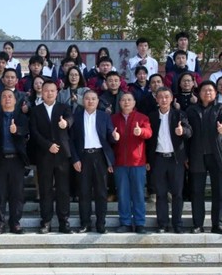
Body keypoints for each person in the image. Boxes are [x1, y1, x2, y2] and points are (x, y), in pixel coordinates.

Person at [186, 81, 222, 234]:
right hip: (197, 155)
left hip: (217, 155)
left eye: (211, 90)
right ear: (199, 93)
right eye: (204, 90)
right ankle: (198, 224)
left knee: (219, 192)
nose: (208, 93)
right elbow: (187, 131)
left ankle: (217, 224)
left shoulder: (221, 107)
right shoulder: (192, 110)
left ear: (215, 93)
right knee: (197, 191)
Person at [29, 80, 74, 234]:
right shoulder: (36, 110)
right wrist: (48, 145)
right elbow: (34, 132)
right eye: (46, 90)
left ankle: (64, 221)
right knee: (45, 189)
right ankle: (46, 221)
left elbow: (70, 119)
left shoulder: (64, 107)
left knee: (63, 189)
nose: (49, 93)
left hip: (62, 154)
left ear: (57, 92)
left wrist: (66, 123)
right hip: (44, 154)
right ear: (42, 92)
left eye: (52, 91)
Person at [69, 90, 117, 234]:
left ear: (97, 101)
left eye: (93, 99)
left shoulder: (104, 116)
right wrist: (75, 159)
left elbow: (110, 136)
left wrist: (115, 136)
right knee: (84, 192)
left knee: (101, 192)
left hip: (100, 157)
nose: (90, 101)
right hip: (83, 157)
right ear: (83, 101)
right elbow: (71, 140)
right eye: (87, 99)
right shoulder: (76, 117)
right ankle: (85, 223)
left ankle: (101, 223)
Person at [146, 87, 192, 234]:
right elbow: (148, 141)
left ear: (172, 98)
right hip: (158, 159)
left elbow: (189, 132)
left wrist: (182, 131)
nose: (164, 99)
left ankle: (177, 224)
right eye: (160, 97)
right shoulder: (152, 116)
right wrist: (147, 160)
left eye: (167, 96)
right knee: (160, 194)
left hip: (175, 159)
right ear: (156, 99)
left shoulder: (179, 114)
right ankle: (162, 224)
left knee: (177, 193)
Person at [0, 89, 29, 234]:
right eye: (4, 97)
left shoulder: (22, 117)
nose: (7, 99)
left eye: (10, 96)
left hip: (17, 160)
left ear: (15, 101)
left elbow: (27, 132)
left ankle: (15, 223)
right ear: (0, 100)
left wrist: (17, 130)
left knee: (17, 194)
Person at [111, 93, 152, 234]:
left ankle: (140, 223)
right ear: (119, 103)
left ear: (134, 102)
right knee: (123, 194)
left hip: (137, 162)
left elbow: (149, 133)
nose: (126, 102)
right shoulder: (114, 118)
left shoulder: (142, 117)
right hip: (120, 163)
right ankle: (125, 222)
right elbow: (108, 137)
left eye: (129, 100)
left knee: (138, 194)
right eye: (123, 100)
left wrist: (141, 131)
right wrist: (113, 137)